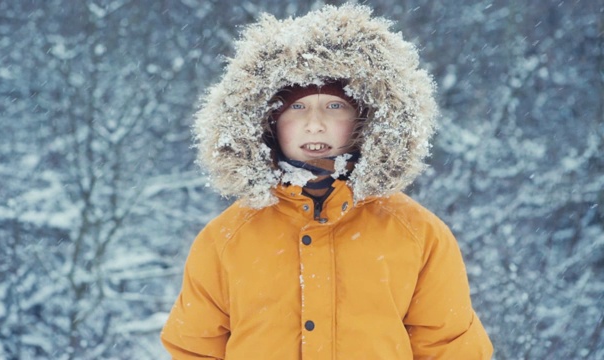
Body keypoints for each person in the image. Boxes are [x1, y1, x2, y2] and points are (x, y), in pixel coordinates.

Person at [161, 4, 493, 359]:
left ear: (367, 117)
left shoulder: (417, 234)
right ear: (267, 121)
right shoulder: (226, 239)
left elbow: (450, 348)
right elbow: (194, 349)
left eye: (334, 106)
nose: (315, 124)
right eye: (297, 107)